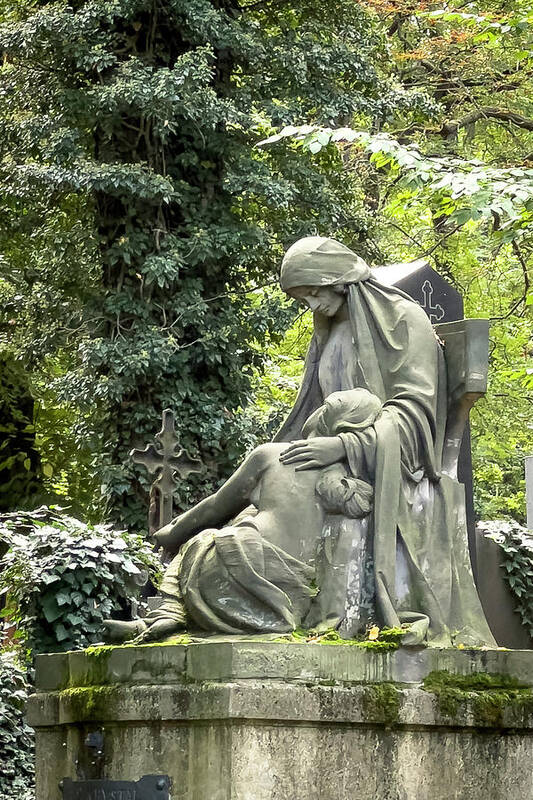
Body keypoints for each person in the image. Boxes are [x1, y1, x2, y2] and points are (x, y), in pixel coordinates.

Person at [275, 236, 495, 646]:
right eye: (302, 297)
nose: (311, 306)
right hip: (332, 457)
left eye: (314, 292)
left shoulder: (404, 320)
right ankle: (179, 608)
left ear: (339, 279)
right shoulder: (329, 333)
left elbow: (415, 418)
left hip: (393, 470)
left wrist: (344, 448)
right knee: (255, 494)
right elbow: (314, 413)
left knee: (328, 507)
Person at [104, 388, 382, 644]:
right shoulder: (349, 479)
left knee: (202, 540)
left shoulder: (273, 454)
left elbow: (214, 507)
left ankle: (168, 612)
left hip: (235, 561)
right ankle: (167, 616)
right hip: (292, 591)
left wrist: (169, 533)